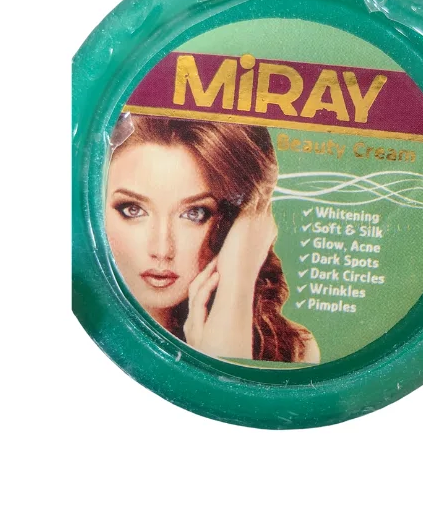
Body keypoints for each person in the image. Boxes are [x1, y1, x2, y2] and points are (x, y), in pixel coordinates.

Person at [104, 112, 319, 364]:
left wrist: (237, 282)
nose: (162, 249)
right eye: (132, 210)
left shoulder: (293, 350)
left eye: (194, 213)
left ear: (234, 221)